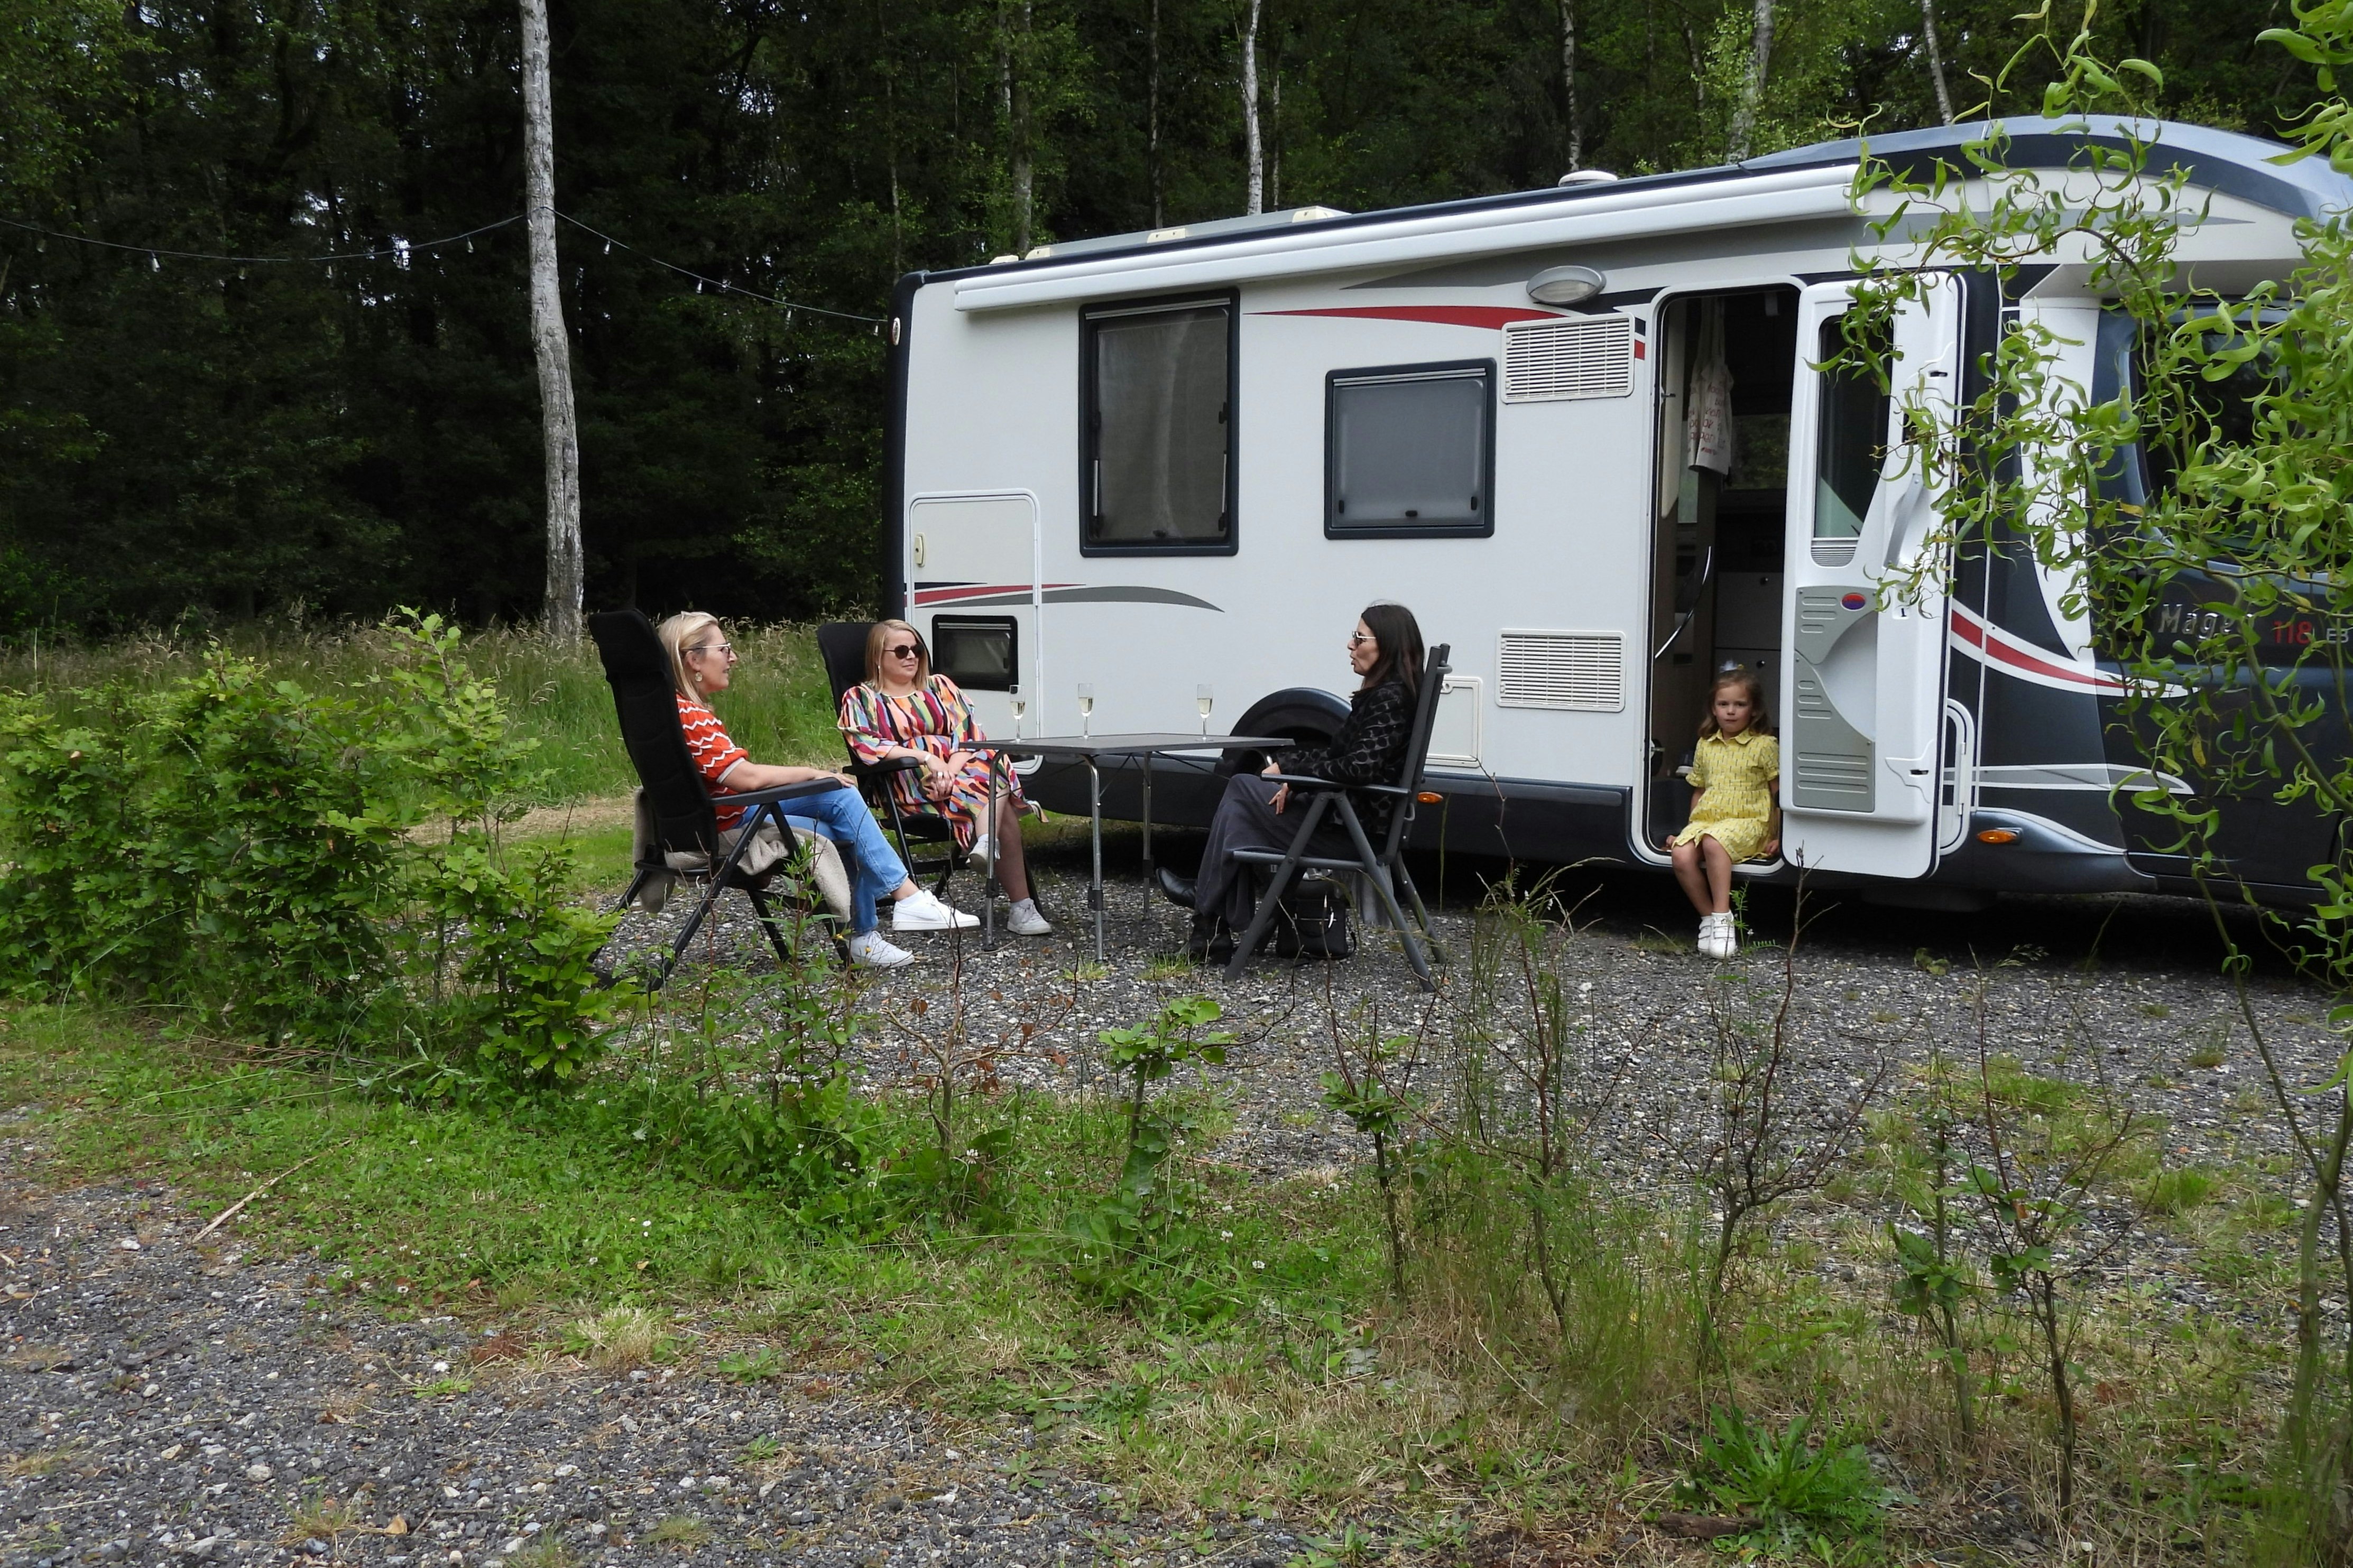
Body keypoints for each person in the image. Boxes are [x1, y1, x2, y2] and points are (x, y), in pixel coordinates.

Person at [661, 611, 979, 970]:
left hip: (713, 816)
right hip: (727, 822)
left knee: (841, 830)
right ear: (694, 660)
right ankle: (906, 897)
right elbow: (745, 779)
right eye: (725, 649)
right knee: (838, 794)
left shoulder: (672, 710)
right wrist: (813, 773)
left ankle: (864, 938)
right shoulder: (692, 716)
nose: (733, 657)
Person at [1159, 604, 1426, 961]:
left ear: (1387, 647)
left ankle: (1206, 909)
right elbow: (1338, 758)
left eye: (1359, 637)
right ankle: (1209, 920)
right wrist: (1291, 767)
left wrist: (1296, 776)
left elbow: (1358, 768)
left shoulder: (1390, 700)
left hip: (1353, 831)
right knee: (1242, 811)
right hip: (1349, 820)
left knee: (1241, 790)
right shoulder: (1390, 696)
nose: (1350, 644)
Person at [837, 619, 1053, 937]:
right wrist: (927, 759)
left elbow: (969, 736)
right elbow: (867, 745)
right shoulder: (861, 698)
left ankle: (986, 843)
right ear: (877, 657)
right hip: (908, 782)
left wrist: (949, 770)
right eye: (901, 651)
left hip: (959, 772)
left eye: (916, 649)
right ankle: (1019, 902)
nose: (911, 656)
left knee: (992, 758)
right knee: (997, 793)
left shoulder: (940, 686)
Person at [1666, 667, 1780, 961]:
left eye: (1740, 705)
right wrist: (1688, 830)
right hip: (1709, 821)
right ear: (1714, 709)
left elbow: (1777, 793)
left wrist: (1779, 835)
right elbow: (1699, 791)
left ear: (1753, 710)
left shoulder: (1764, 746)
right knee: (1681, 854)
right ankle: (1708, 919)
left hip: (1749, 822)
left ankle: (1722, 919)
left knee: (1714, 843)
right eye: (1723, 704)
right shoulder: (1706, 744)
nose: (1731, 712)